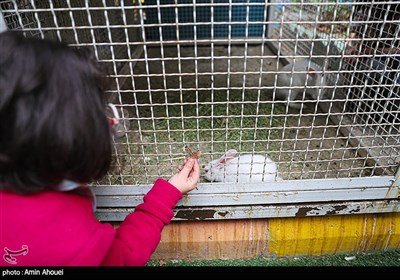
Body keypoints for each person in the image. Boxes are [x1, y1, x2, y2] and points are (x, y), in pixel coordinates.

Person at [0, 30, 200, 266]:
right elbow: (123, 256)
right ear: (66, 136)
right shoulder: (77, 243)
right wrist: (166, 195)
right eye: (98, 114)